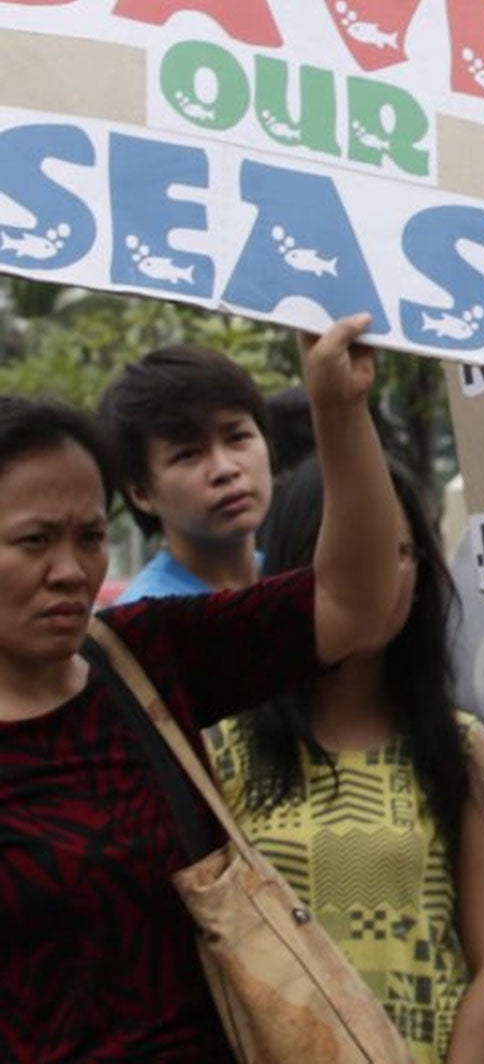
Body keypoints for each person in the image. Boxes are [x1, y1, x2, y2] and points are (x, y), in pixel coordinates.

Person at [0, 317, 409, 1061]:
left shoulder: (146, 657)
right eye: (35, 541)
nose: (70, 570)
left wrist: (340, 411)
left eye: (89, 537)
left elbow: (356, 603)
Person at [209, 461, 484, 1064]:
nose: (380, 574)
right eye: (349, 552)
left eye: (401, 551)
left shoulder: (461, 750)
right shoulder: (219, 747)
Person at [101, 344, 274, 603]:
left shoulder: (292, 578)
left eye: (237, 437)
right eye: (188, 454)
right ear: (141, 493)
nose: (225, 469)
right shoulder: (150, 621)